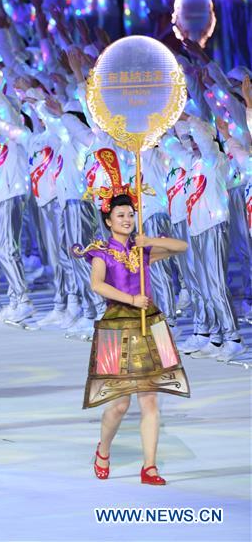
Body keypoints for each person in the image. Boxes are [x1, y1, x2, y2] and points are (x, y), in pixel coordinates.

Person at [74, 174, 190, 485]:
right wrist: (131, 299)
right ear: (109, 221)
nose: (127, 220)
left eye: (130, 215)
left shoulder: (142, 249)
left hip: (148, 324)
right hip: (117, 327)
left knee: (149, 400)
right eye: (120, 216)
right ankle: (104, 448)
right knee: (120, 403)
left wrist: (150, 241)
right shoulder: (101, 251)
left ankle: (149, 466)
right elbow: (96, 284)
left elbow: (181, 246)